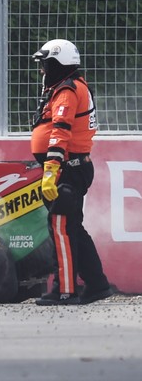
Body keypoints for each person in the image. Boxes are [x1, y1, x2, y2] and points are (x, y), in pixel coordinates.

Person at [30, 39, 112, 306]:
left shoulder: (67, 90)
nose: (42, 70)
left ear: (57, 64)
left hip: (67, 169)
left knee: (61, 228)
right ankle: (97, 284)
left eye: (45, 64)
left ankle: (64, 290)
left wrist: (51, 170)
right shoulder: (71, 86)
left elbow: (60, 132)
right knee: (72, 228)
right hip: (73, 167)